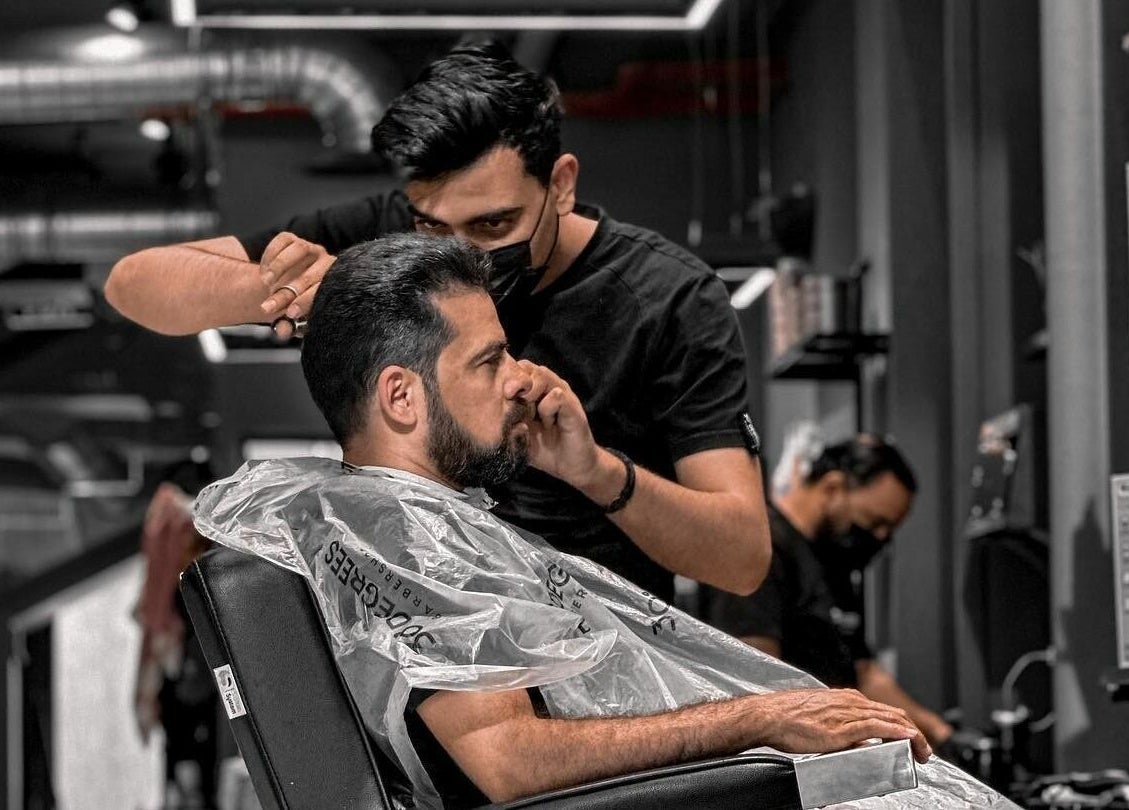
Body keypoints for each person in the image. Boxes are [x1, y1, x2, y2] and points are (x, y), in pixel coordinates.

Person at [192, 234, 1015, 810]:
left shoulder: (421, 522)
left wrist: (583, 469)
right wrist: (760, 719)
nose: (520, 379)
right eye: (487, 361)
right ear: (401, 396)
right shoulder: (398, 532)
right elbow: (508, 761)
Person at [105, 41, 769, 603]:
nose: (463, 253)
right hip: (421, 634)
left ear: (560, 183)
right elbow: (134, 284)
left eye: (493, 225)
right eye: (432, 226)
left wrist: (598, 473)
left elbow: (740, 558)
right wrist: (294, 287)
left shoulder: (669, 300)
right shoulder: (382, 237)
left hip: (600, 652)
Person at [709, 425, 954, 748]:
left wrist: (938, 732)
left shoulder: (832, 561)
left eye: (888, 531)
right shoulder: (764, 551)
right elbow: (754, 674)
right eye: (874, 522)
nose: (878, 539)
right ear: (833, 487)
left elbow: (864, 674)